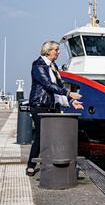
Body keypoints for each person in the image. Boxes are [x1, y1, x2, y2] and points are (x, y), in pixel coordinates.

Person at [26, 41, 84, 177]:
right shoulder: (38, 65)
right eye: (56, 50)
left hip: (52, 106)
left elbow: (58, 86)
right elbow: (47, 85)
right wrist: (69, 93)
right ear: (48, 50)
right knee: (41, 135)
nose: (58, 52)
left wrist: (71, 101)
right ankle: (31, 165)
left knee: (55, 135)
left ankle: (51, 162)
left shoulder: (53, 66)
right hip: (40, 104)